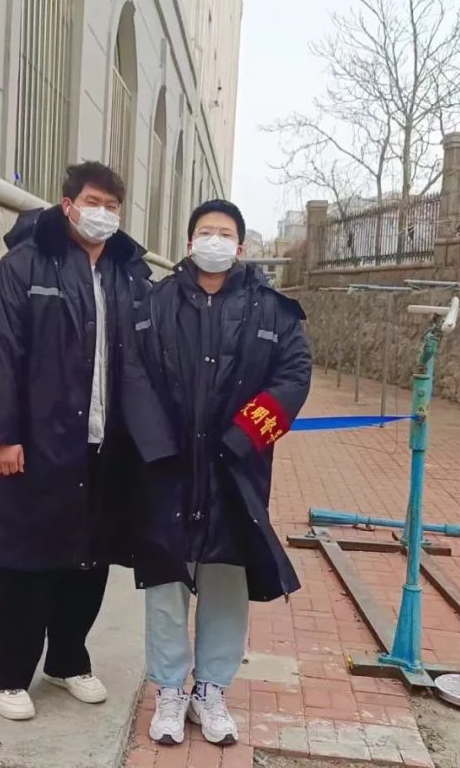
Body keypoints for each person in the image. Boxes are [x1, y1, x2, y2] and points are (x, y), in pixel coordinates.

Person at [0, 161, 167, 721]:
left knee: (89, 557)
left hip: (107, 444)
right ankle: (7, 673)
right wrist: (3, 435)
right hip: (38, 441)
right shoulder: (25, 264)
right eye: (92, 202)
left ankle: (67, 659)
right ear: (68, 205)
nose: (102, 213)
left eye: (111, 205)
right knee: (24, 557)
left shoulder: (129, 275)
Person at [130, 199, 312, 746]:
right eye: (205, 231)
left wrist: (242, 437)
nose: (215, 240)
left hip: (237, 469)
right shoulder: (154, 303)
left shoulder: (273, 310)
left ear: (240, 246)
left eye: (225, 233)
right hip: (169, 468)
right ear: (189, 243)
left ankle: (210, 689)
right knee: (166, 579)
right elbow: (132, 373)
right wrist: (158, 444)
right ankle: (168, 689)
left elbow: (294, 376)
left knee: (227, 578)